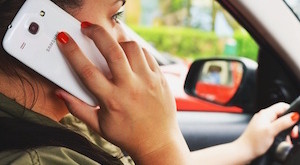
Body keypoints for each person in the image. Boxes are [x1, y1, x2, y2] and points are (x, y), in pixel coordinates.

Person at [0, 0, 298, 164]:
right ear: (49, 22)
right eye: (115, 15)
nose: (130, 41)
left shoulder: (66, 118)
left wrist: (245, 146)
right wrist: (159, 145)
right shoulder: (39, 160)